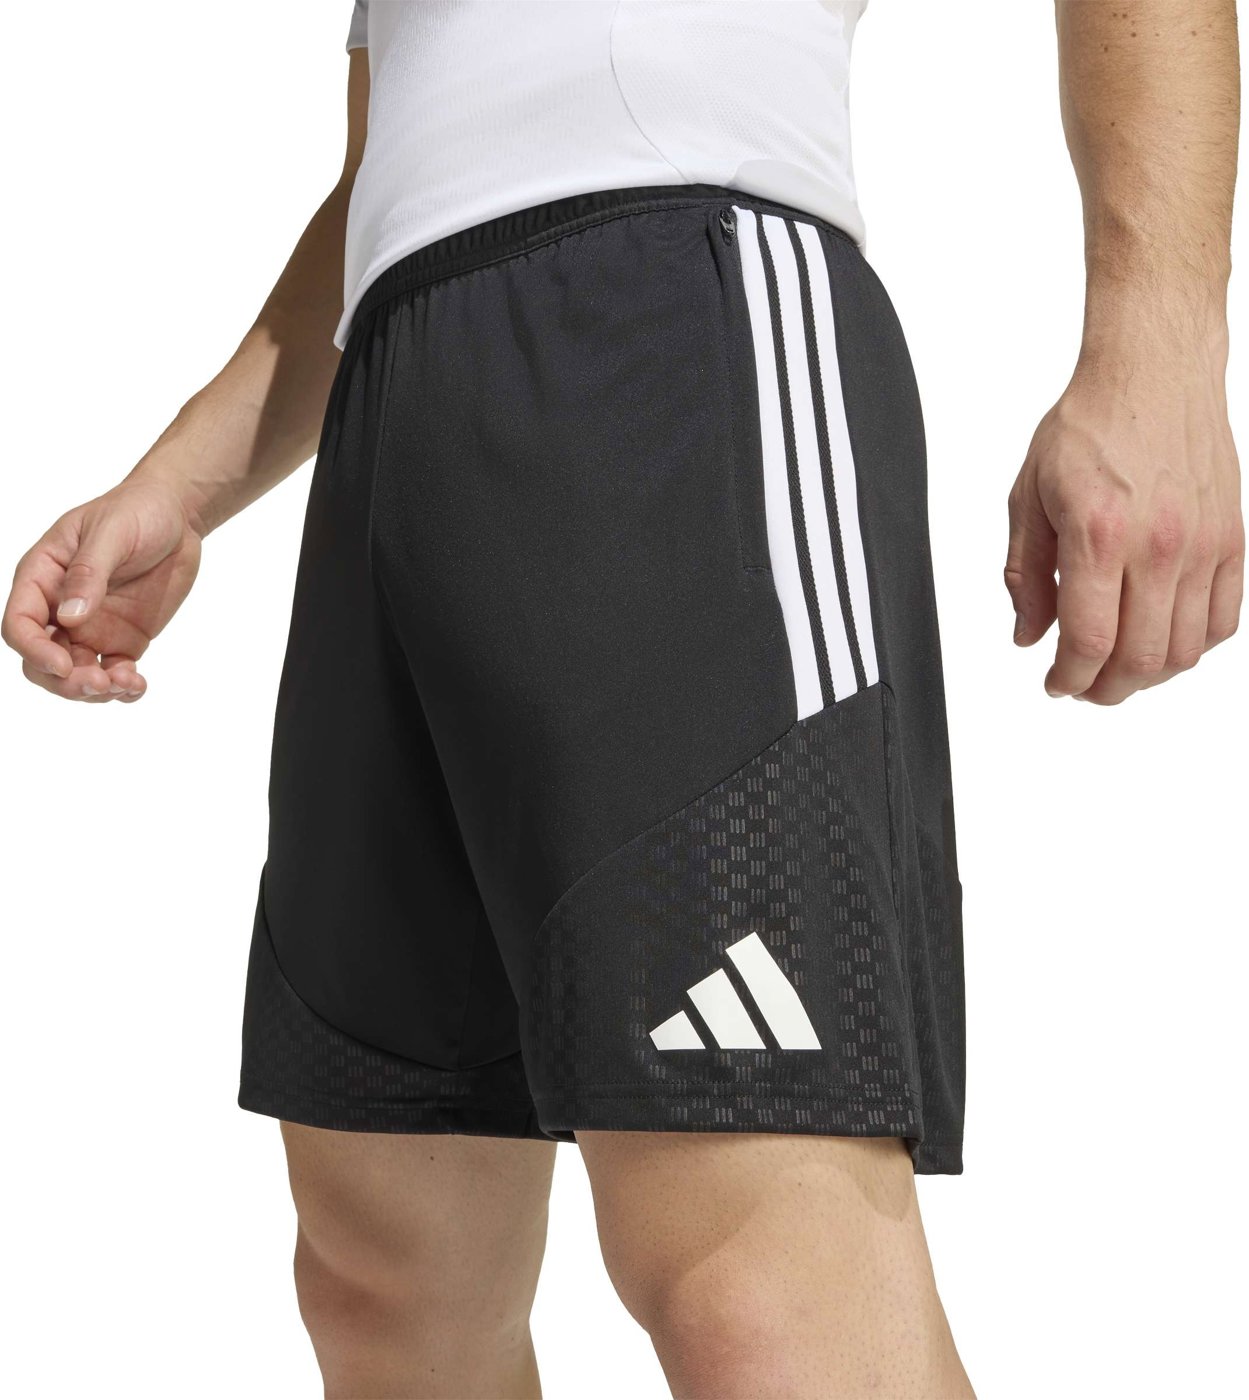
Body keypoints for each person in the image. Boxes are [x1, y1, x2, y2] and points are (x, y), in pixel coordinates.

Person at [3, 1, 1240, 1395]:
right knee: (382, 1270)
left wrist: (1157, 352)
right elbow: (391, 173)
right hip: (400, 405)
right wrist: (179, 484)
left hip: (667, 333)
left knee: (753, 1281)